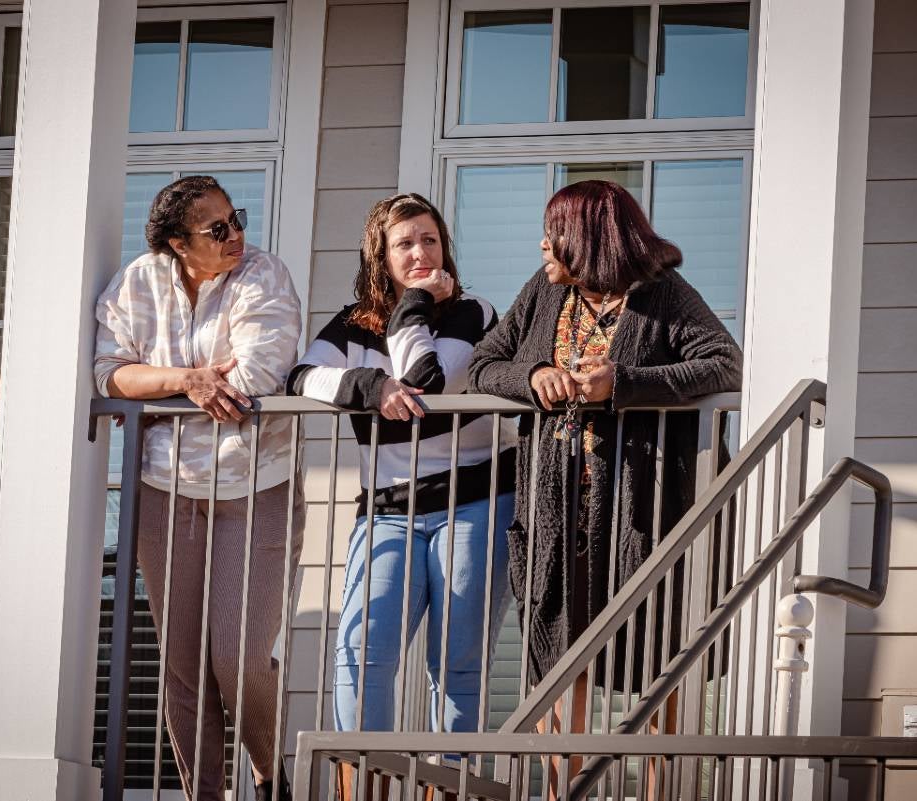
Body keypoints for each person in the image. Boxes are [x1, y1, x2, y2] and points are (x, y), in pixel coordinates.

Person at [468, 179, 742, 791]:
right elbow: (485, 364)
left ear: (589, 240)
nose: (543, 244)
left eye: (555, 233)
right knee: (560, 650)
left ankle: (655, 790)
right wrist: (534, 374)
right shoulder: (544, 293)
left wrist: (622, 382)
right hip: (558, 508)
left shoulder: (661, 294)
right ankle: (565, 789)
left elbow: (723, 361)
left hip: (645, 508)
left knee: (657, 649)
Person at [287, 193, 517, 796]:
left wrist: (416, 303)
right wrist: (368, 384)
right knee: (360, 657)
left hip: (476, 502)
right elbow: (302, 376)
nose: (420, 253)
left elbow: (425, 387)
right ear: (378, 256)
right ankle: (362, 788)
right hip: (387, 511)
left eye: (431, 241)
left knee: (458, 665)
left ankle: (455, 790)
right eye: (404, 244)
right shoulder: (351, 326)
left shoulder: (473, 312)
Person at [94, 175, 303, 801]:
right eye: (218, 229)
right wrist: (186, 379)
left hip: (257, 486)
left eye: (236, 218)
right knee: (183, 669)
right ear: (179, 245)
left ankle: (268, 774)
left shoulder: (263, 273)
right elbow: (109, 374)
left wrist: (154, 388)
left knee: (237, 660)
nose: (236, 233)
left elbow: (256, 376)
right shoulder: (138, 281)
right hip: (165, 489)